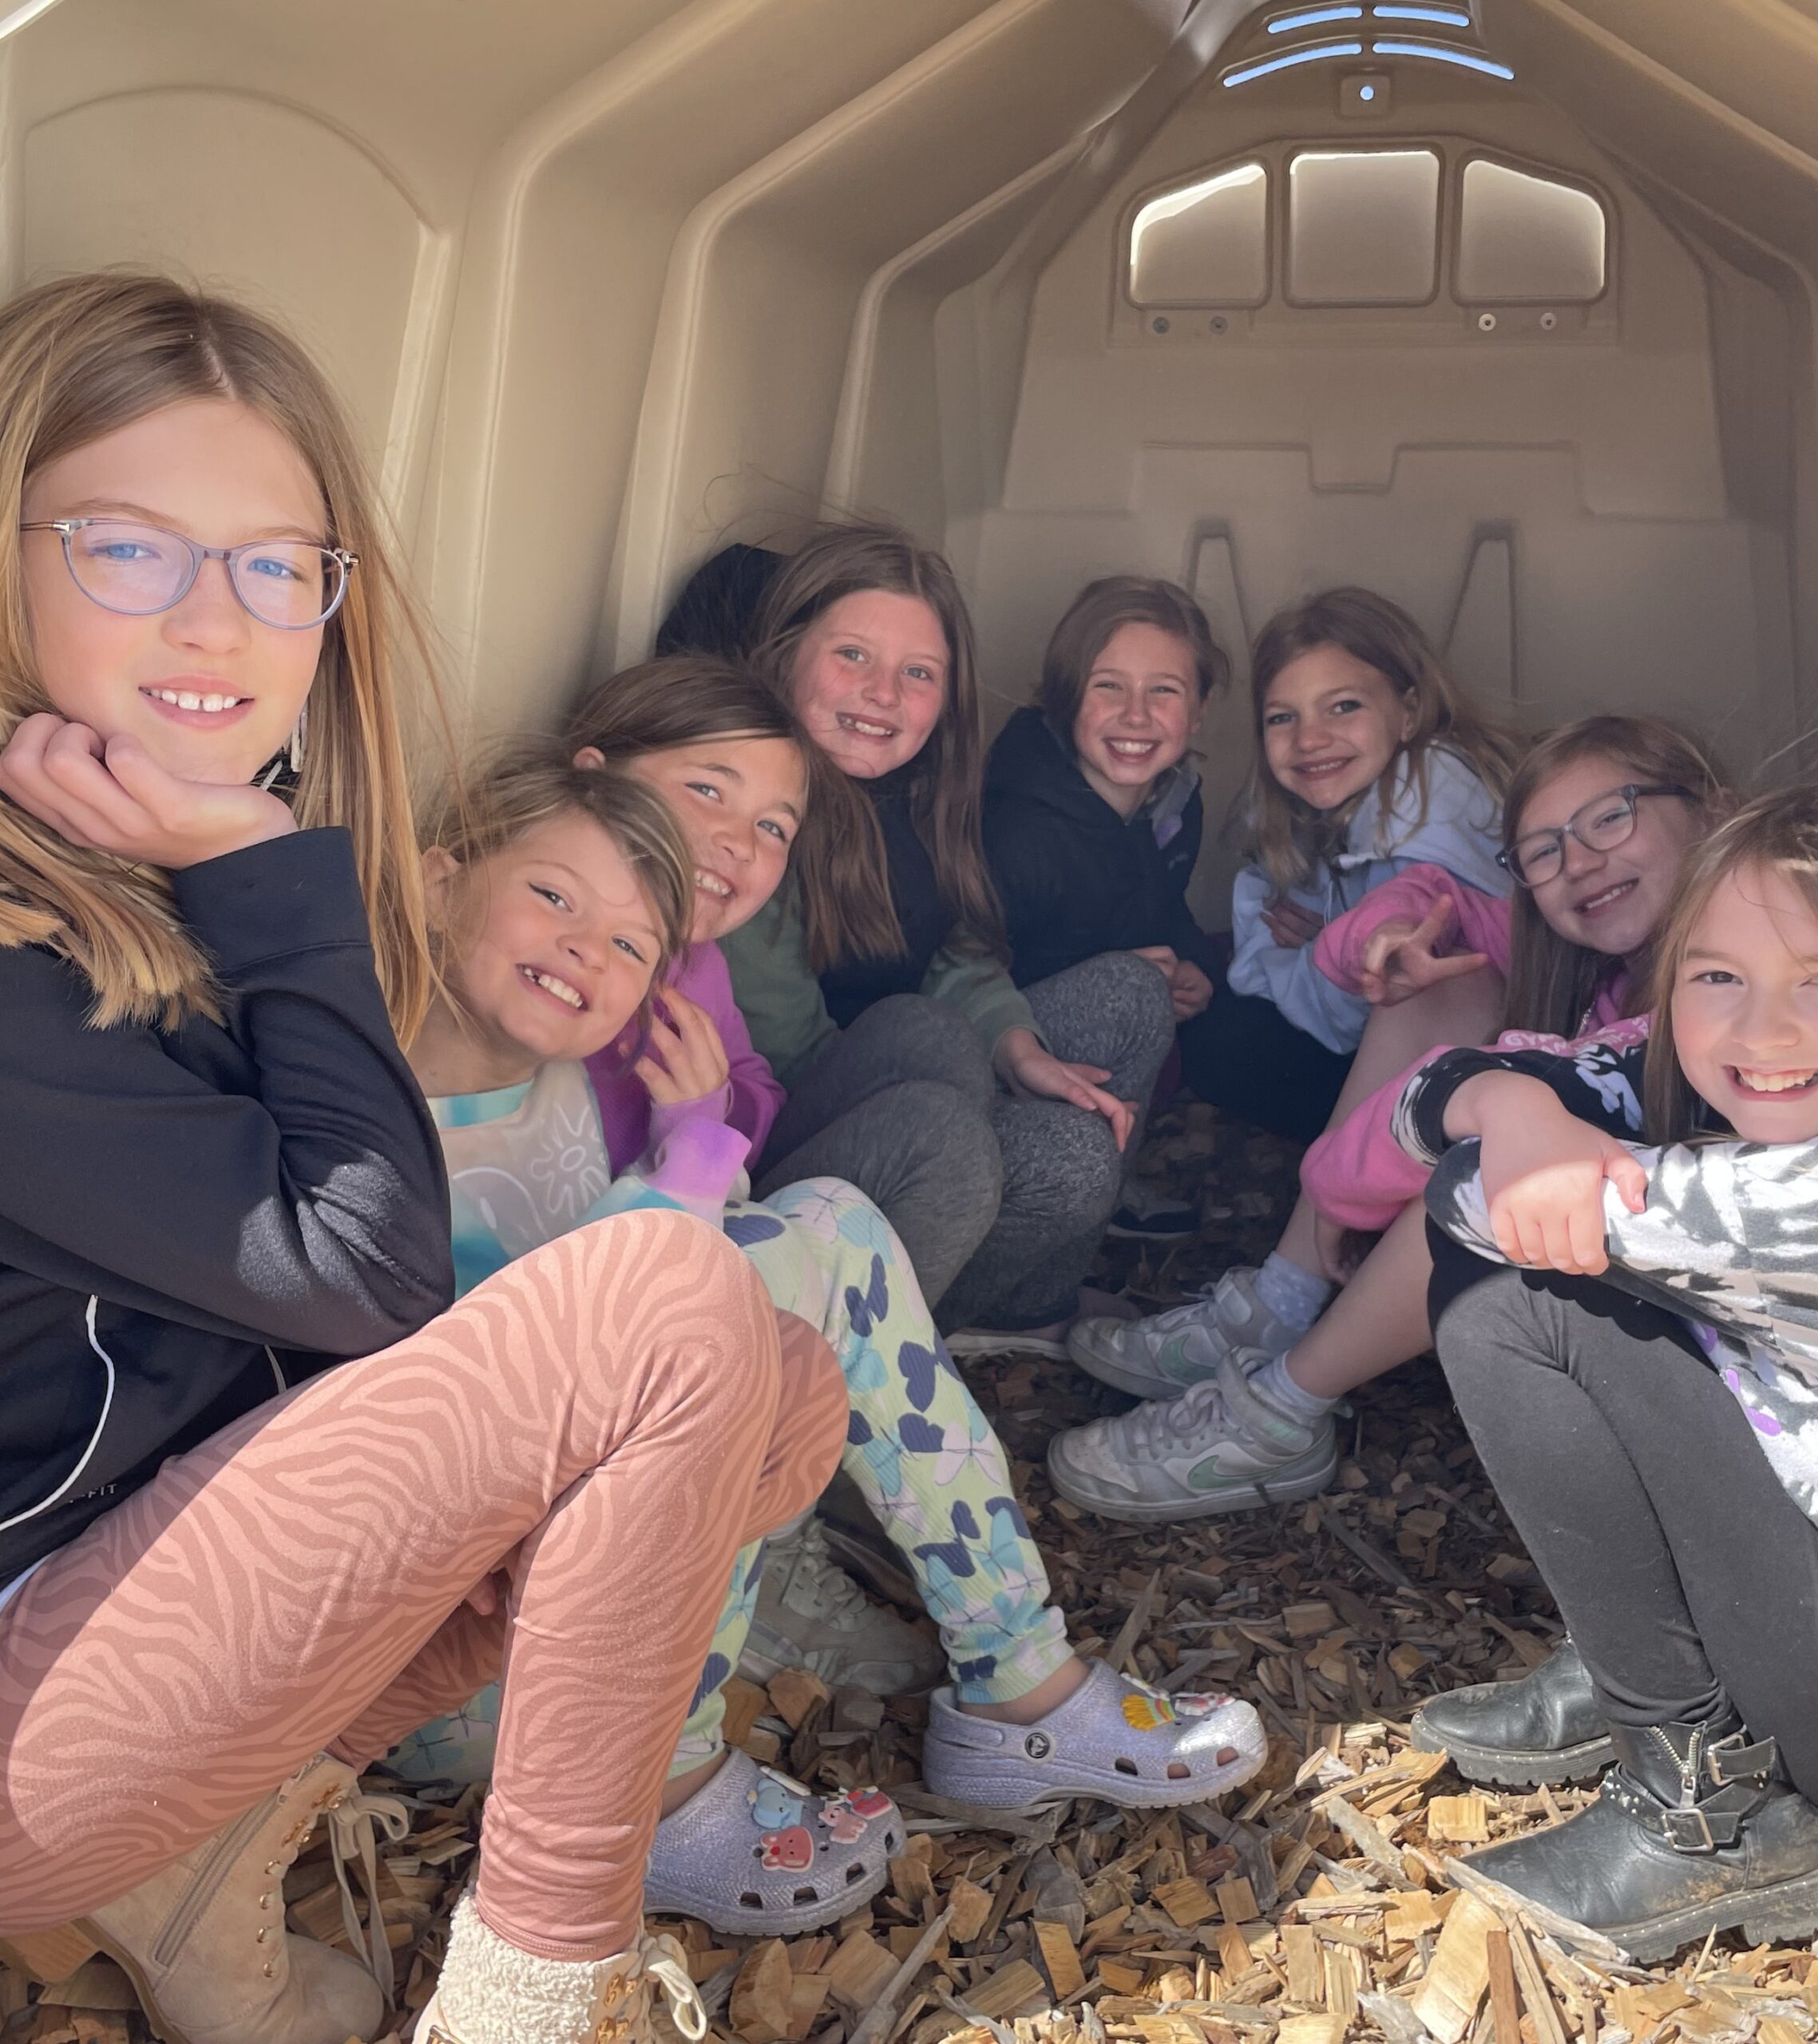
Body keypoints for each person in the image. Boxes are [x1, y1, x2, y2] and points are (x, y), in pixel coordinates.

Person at [0, 272, 849, 2044]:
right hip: (25, 1696)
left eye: (273, 563)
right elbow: (367, 1274)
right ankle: (537, 1997)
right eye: (128, 548)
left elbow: (340, 1306)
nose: (219, 623)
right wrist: (264, 851)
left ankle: (207, 1846)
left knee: (777, 1384)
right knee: (664, 1300)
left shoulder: (137, 880)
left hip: (136, 1579)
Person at [392, 731, 1269, 1932]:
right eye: (551, 897)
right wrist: (694, 1151)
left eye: (632, 943)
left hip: (583, 1592)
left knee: (829, 1230)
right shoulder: (371, 1112)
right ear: (438, 878)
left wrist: (694, 1138)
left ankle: (1018, 1676)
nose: (584, 952)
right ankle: (660, 1783)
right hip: (462, 1680)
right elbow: (551, 1361)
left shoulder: (551, 1078)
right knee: (752, 1288)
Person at [1396, 782, 1818, 1958]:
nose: (1760, 1031)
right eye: (1716, 976)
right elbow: (1425, 1094)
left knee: (1519, 1306)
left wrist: (1525, 1130)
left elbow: (1464, 1197)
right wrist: (1510, 1096)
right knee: (1558, 1268)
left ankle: (1707, 1804)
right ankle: (1648, 1659)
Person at [1056, 717, 1725, 1521]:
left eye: (1611, 816)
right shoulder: (1610, 964)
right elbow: (1445, 907)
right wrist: (1392, 931)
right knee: (1441, 982)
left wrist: (1348, 1195)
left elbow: (1462, 1104)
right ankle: (1286, 1299)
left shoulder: (1724, 991)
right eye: (1544, 850)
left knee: (1496, 1163)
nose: (1579, 861)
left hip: (1687, 1328)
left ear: (1709, 810)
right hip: (1583, 1270)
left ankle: (1280, 1411)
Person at [667, 523, 1180, 1351]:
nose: (882, 693)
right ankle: (894, 1339)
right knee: (1024, 1122)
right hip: (811, 1158)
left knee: (1127, 993)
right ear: (786, 654)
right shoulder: (758, 812)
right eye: (853, 657)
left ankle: (1028, 1309)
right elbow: (784, 1057)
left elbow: (955, 950)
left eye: (918, 674)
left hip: (921, 1093)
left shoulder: (920, 797)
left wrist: (1016, 1051)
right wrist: (970, 1106)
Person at [1174, 585, 1515, 1146]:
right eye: (1283, 717)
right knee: (1219, 1035)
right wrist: (1333, 943)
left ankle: (1371, 1164)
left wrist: (1328, 949)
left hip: (1475, 1043)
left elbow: (1377, 996)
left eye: (1344, 706)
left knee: (1226, 1046)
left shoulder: (1430, 789)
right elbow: (1269, 932)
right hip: (1375, 1015)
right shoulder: (1320, 802)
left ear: (1408, 713)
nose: (1310, 738)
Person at [982, 576, 1227, 1242]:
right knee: (1129, 991)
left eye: (1165, 691)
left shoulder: (1174, 803)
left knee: (1186, 987)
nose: (1136, 715)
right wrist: (1116, 972)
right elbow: (971, 968)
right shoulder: (1021, 827)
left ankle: (1108, 1184)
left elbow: (1161, 905)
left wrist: (1194, 963)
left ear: (1199, 710)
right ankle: (1073, 1199)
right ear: (1065, 701)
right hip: (1003, 1049)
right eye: (1108, 686)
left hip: (1095, 1027)